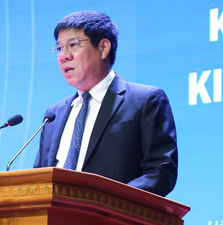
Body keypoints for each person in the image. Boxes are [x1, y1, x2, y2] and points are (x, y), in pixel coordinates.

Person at [33, 11, 178, 197]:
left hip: (114, 214)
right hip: (56, 215)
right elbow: (39, 179)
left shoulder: (145, 101)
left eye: (73, 45)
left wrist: (106, 201)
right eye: (59, 48)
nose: (63, 56)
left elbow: (160, 173)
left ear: (103, 48)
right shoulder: (54, 114)